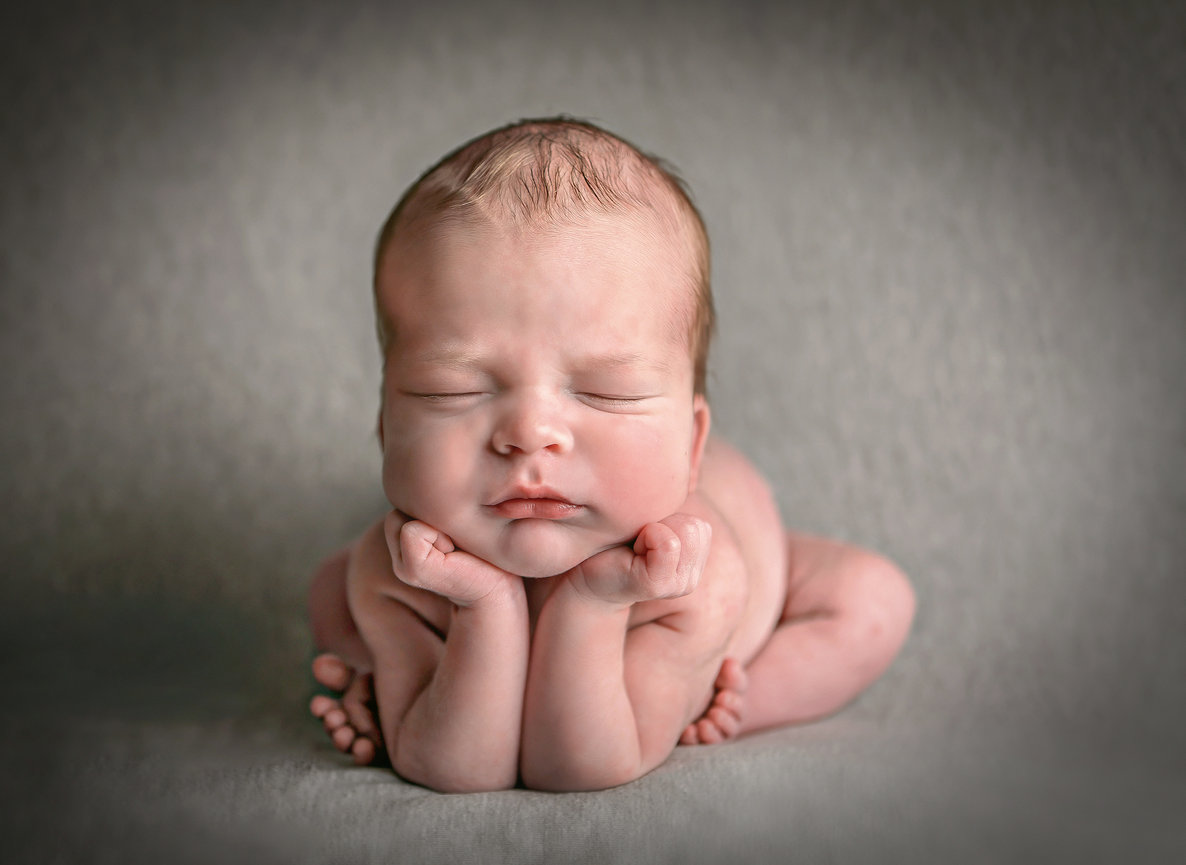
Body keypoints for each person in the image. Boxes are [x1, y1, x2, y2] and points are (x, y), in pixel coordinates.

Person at [307, 117, 915, 792]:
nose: (531, 433)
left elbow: (573, 764)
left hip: (747, 563)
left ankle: (723, 699)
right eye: (453, 389)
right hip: (441, 577)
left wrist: (593, 602)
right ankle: (383, 673)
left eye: (607, 392)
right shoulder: (399, 571)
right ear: (387, 428)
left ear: (692, 443)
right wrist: (482, 602)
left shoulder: (692, 576)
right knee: (331, 594)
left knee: (872, 600)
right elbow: (458, 769)